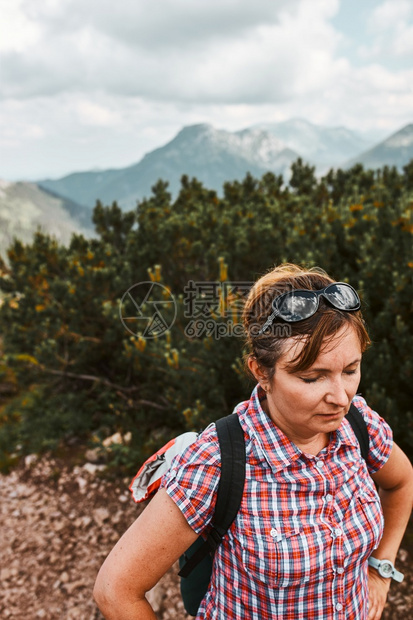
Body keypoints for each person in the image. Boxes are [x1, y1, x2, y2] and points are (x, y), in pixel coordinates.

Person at [94, 263, 413, 620]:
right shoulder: (218, 461)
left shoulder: (359, 424)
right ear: (261, 371)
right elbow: (116, 590)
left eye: (350, 370)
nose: (340, 396)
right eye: (312, 377)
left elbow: (401, 481)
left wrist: (380, 569)